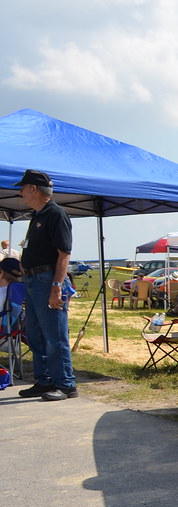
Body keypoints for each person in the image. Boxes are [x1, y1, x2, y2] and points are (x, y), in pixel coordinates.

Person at [14, 169, 77, 401]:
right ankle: (44, 380)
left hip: (46, 280)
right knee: (35, 333)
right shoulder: (38, 215)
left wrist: (57, 286)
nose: (20, 192)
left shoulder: (55, 214)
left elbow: (64, 254)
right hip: (32, 280)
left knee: (54, 334)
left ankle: (66, 384)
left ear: (33, 189)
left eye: (22, 188)